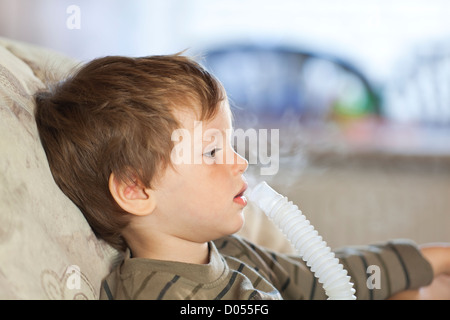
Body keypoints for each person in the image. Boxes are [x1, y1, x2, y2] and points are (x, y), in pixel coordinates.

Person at [34, 54, 450, 300]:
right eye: (212, 151)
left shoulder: (226, 251)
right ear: (135, 189)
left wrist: (436, 258)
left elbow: (323, 278)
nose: (239, 163)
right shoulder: (162, 294)